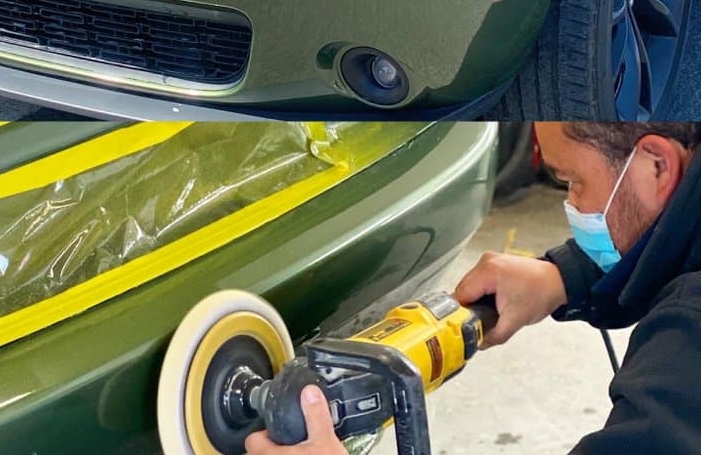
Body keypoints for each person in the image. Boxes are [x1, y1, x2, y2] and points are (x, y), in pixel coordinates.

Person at [243, 121, 701, 455]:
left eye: (573, 182)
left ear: (657, 165)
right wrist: (564, 277)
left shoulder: (688, 336)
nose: (571, 206)